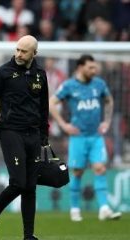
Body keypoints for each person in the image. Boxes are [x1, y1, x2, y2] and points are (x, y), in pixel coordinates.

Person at [0, 35, 49, 240]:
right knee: (19, 182)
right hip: (11, 132)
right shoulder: (3, 73)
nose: (18, 54)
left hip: (33, 134)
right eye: (17, 49)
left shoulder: (40, 75)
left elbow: (43, 107)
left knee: (30, 186)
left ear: (34, 54)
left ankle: (28, 237)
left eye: (24, 51)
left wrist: (44, 137)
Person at [49, 54, 122, 222]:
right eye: (90, 67)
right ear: (80, 67)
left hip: (96, 136)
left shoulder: (99, 84)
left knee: (100, 168)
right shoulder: (69, 86)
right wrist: (63, 125)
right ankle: (75, 209)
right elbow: (52, 103)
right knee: (78, 172)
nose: (94, 70)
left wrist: (107, 121)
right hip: (78, 137)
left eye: (94, 67)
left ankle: (104, 208)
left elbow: (109, 100)